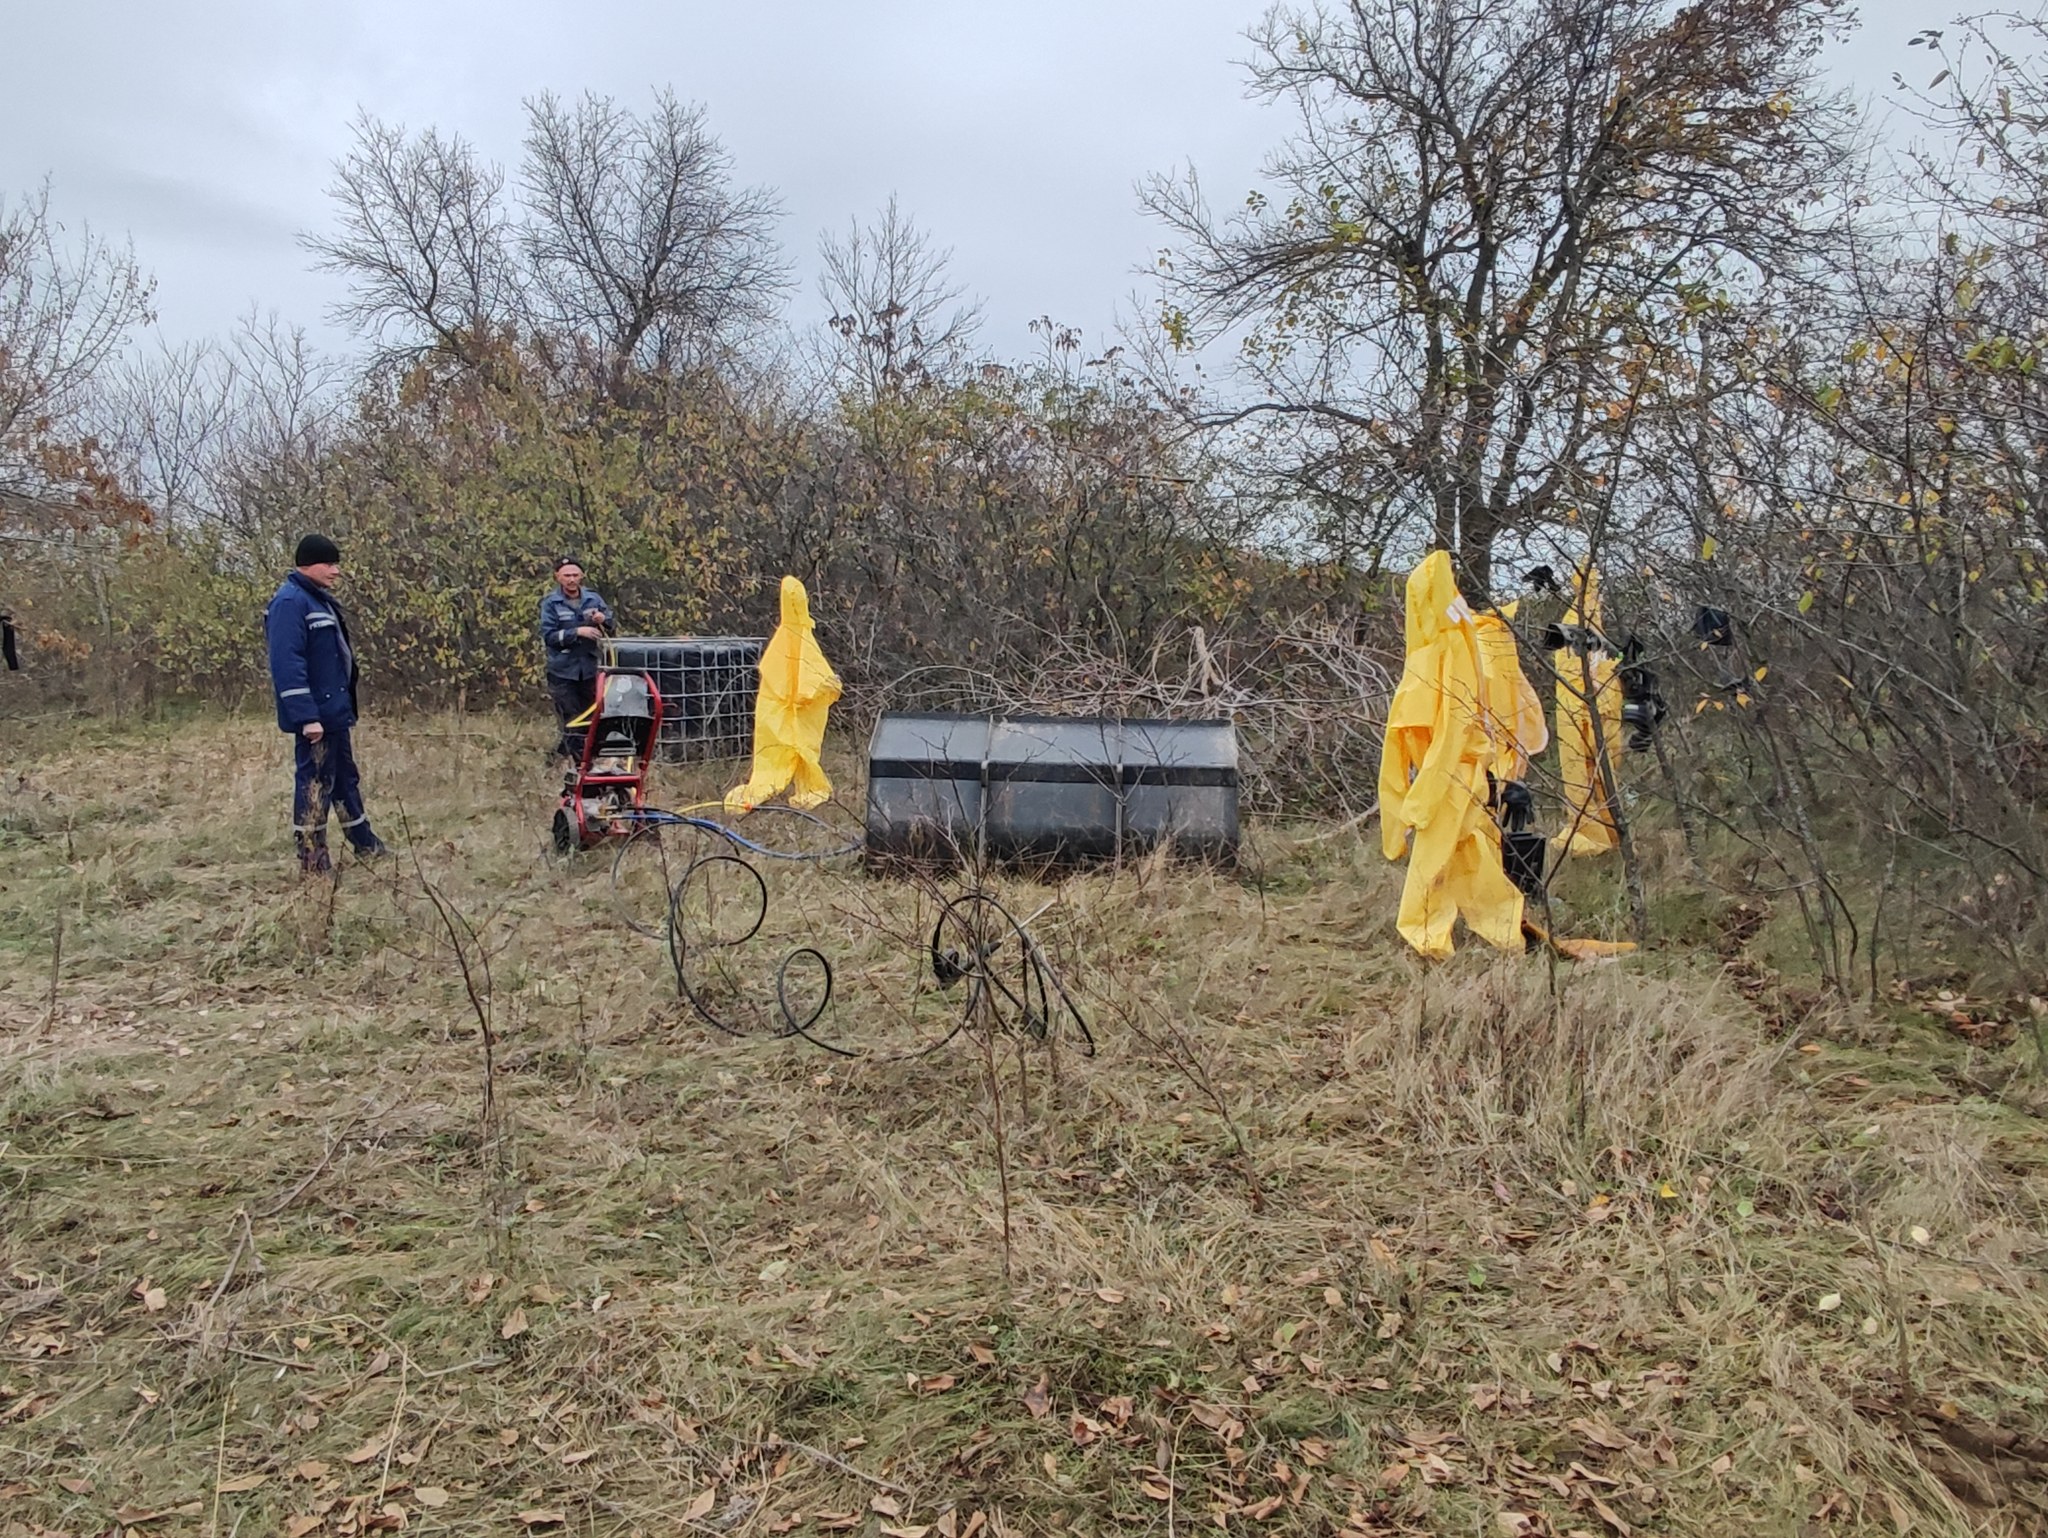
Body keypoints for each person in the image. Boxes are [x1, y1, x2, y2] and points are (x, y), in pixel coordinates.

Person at [265, 533, 388, 874]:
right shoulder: (290, 603)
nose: (336, 571)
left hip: (335, 713)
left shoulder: (319, 600)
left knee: (345, 780)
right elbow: (287, 664)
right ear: (308, 564)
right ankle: (313, 860)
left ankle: (365, 843)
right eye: (330, 564)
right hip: (316, 718)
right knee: (315, 785)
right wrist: (306, 716)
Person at [540, 557, 612, 761]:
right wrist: (577, 632)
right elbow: (549, 637)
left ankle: (562, 759)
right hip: (563, 672)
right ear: (558, 577)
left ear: (582, 576)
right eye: (566, 575)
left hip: (590, 670)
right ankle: (579, 765)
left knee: (592, 718)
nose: (571, 579)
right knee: (572, 720)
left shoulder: (594, 599)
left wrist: (603, 620)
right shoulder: (551, 603)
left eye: (575, 575)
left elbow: (611, 625)